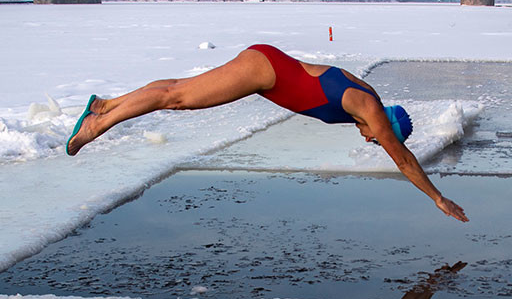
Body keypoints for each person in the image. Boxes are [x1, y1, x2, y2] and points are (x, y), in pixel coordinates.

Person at [66, 44, 468, 222]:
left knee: (176, 89)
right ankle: (98, 121)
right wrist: (437, 197)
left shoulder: (367, 99)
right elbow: (402, 158)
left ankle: (105, 105)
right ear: (386, 127)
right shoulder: (367, 107)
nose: (370, 141)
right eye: (377, 137)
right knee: (177, 98)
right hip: (264, 72)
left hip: (268, 68)